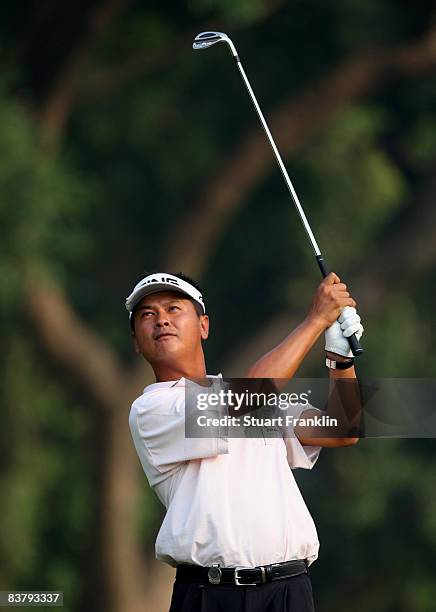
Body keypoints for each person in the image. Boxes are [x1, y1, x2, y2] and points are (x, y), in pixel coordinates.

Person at [126, 271, 364, 612]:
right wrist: (315, 320)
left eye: (173, 308)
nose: (161, 319)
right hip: (209, 594)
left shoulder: (251, 400)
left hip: (288, 592)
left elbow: (343, 429)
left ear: (203, 326)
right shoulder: (152, 409)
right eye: (147, 315)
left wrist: (341, 361)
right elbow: (248, 396)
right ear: (136, 340)